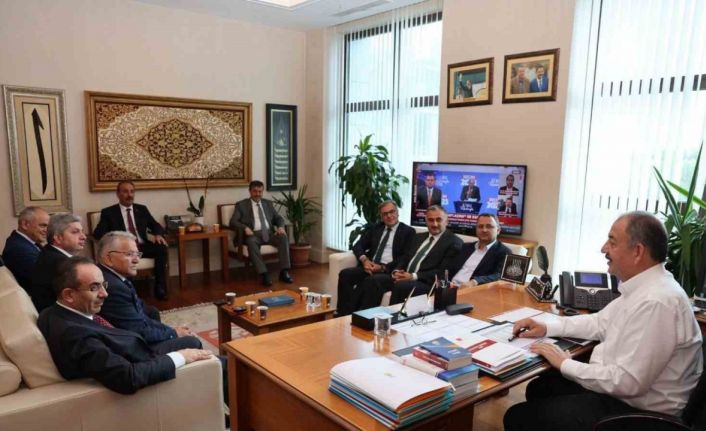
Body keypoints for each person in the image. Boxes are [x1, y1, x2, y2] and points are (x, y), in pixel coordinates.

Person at [504, 211, 703, 431]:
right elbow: (600, 322)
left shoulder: (658, 302)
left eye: (612, 242)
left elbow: (628, 382)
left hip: (639, 412)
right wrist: (547, 327)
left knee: (518, 417)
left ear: (638, 251)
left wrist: (566, 363)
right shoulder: (646, 286)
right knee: (541, 388)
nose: (603, 248)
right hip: (625, 393)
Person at [37, 256, 215, 395]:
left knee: (191, 341)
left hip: (132, 351)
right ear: (68, 295)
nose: (105, 294)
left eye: (104, 285)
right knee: (220, 364)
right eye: (94, 287)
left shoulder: (51, 312)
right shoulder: (75, 335)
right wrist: (180, 356)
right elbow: (127, 377)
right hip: (139, 363)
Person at [96, 231, 201, 347]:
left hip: (132, 335)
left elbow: (142, 318)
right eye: (129, 254)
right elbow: (139, 331)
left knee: (151, 312)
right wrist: (174, 333)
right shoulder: (114, 288)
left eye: (137, 254)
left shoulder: (110, 276)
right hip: (134, 348)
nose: (136, 260)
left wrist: (171, 331)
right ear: (108, 258)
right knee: (193, 342)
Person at [355, 205, 462, 311]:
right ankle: (365, 317)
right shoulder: (418, 237)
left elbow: (443, 272)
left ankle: (393, 319)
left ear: (446, 221)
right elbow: (405, 258)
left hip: (425, 282)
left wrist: (412, 276)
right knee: (373, 280)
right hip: (405, 276)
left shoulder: (454, 242)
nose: (434, 224)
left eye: (438, 220)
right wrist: (397, 271)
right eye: (430, 220)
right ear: (426, 221)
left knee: (401, 286)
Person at [389, 213, 510, 303]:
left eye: (489, 226)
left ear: (498, 230)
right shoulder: (466, 247)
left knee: (402, 286)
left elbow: (500, 275)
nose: (484, 230)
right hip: (446, 288)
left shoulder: (504, 252)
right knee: (403, 286)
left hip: (470, 292)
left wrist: (475, 282)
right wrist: (443, 281)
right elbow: (448, 267)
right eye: (480, 226)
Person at [336, 201, 416, 316]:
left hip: (388, 270)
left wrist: (383, 268)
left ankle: (363, 317)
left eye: (392, 212)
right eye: (385, 214)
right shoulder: (376, 228)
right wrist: (365, 261)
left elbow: (405, 257)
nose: (389, 216)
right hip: (369, 267)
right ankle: (342, 314)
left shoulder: (408, 232)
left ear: (397, 212)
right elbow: (358, 245)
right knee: (345, 274)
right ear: (381, 217)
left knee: (371, 281)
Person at [94, 181, 169, 300]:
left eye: (132, 191)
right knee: (123, 256)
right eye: (125, 191)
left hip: (141, 247)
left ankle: (160, 287)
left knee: (161, 248)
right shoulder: (109, 212)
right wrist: (114, 239)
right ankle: (128, 291)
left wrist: (158, 234)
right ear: (118, 194)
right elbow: (98, 233)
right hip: (124, 249)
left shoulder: (141, 209)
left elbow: (155, 224)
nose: (129, 195)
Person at [229, 180, 293, 286]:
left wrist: (281, 227)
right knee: (251, 242)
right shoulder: (241, 205)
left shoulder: (268, 203)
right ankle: (264, 274)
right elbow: (233, 222)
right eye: (255, 191)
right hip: (253, 235)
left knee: (283, 237)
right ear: (250, 191)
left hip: (269, 233)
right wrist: (245, 228)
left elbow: (278, 218)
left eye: (260, 191)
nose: (257, 194)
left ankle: (284, 272)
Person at [30, 213, 86, 312]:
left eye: (82, 231)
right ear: (58, 238)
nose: (83, 237)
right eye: (75, 232)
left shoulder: (48, 253)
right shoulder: (62, 263)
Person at [2, 206, 49, 293]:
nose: (47, 230)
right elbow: (44, 279)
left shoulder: (27, 242)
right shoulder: (19, 249)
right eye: (43, 225)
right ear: (25, 224)